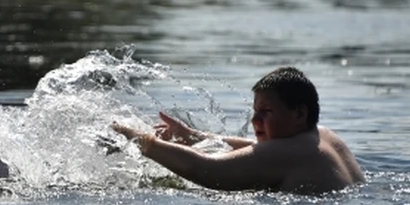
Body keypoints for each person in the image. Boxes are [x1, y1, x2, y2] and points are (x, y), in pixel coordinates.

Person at [111, 66, 364, 194]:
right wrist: (194, 137)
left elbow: (204, 169)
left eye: (266, 112)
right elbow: (258, 150)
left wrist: (141, 140)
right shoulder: (324, 137)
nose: (255, 121)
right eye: (255, 111)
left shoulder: (292, 152)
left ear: (299, 113)